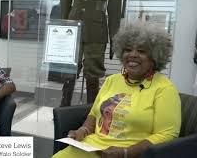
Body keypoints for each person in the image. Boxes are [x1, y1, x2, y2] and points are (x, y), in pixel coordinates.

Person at [53, 23, 181, 158]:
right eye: (128, 50)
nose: (133, 55)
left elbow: (167, 134)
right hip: (92, 147)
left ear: (154, 57)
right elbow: (94, 113)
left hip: (131, 154)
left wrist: (126, 152)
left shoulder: (164, 88)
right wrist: (83, 131)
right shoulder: (112, 80)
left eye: (142, 51)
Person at [59, 0, 123, 106]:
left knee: (93, 72)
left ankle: (91, 112)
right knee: (69, 70)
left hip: (96, 29)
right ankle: (63, 107)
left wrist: (114, 37)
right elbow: (65, 1)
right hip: (73, 27)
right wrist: (63, 28)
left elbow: (114, 9)